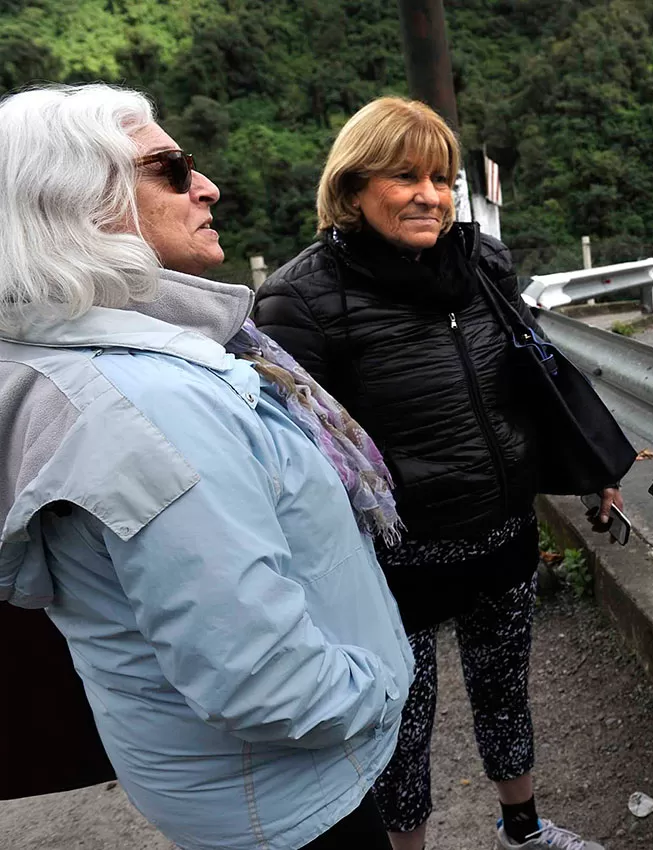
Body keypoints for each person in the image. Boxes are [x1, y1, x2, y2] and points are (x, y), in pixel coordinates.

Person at [0, 83, 414, 850]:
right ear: (79, 203)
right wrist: (385, 684)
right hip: (284, 802)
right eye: (171, 166)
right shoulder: (149, 406)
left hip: (229, 789)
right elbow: (263, 680)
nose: (206, 184)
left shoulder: (73, 361)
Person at [254, 96, 620, 850]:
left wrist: (590, 468)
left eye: (443, 177)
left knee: (505, 692)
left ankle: (523, 828)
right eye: (405, 176)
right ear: (352, 189)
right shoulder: (302, 297)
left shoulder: (481, 263)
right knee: (399, 725)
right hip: (393, 561)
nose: (431, 194)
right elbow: (292, 453)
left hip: (502, 526)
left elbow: (536, 374)